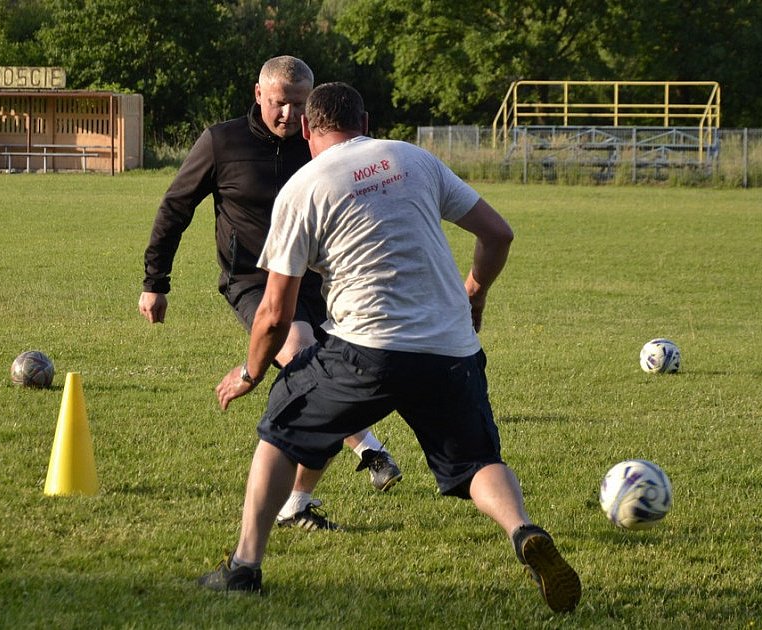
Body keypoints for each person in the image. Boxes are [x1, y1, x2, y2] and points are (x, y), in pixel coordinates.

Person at [199, 82, 582, 614]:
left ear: (309, 128)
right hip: (451, 347)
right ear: (367, 120)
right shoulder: (414, 160)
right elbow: (498, 233)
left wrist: (249, 371)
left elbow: (273, 312)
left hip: (366, 349)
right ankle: (522, 530)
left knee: (281, 432)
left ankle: (243, 568)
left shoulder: (305, 185)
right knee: (475, 463)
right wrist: (475, 291)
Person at [138, 56, 402, 531]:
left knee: (329, 375)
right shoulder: (222, 142)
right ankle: (369, 448)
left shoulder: (319, 144)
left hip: (320, 277)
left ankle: (297, 504)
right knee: (302, 354)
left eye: (300, 106)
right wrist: (155, 282)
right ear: (259, 95)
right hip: (253, 279)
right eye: (281, 104)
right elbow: (175, 207)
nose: (289, 116)